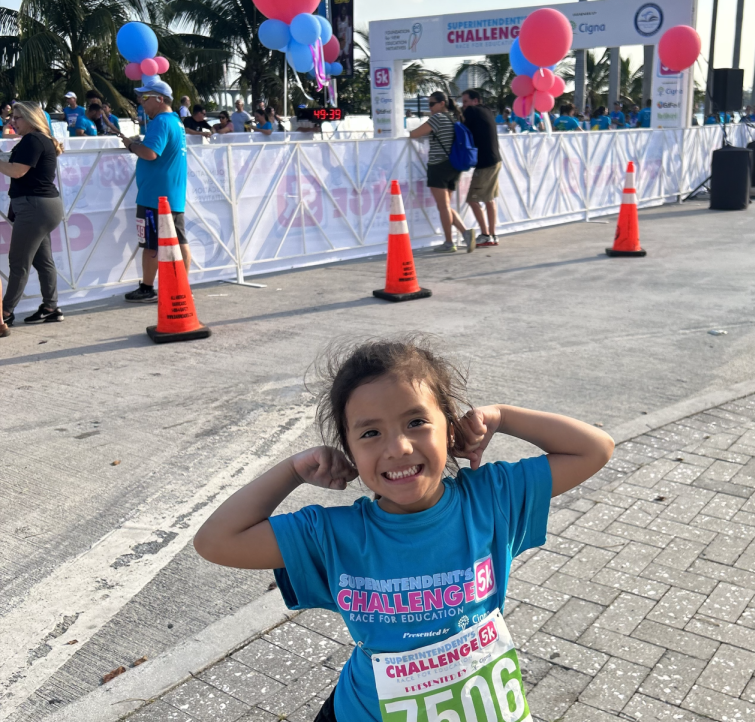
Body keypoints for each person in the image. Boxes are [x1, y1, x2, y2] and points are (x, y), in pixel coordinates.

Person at [193, 335, 615, 722]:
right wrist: (291, 471)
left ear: (451, 429)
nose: (398, 448)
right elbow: (215, 541)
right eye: (371, 433)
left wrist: (502, 417)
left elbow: (595, 448)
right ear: (350, 452)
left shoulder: (491, 499)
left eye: (416, 422)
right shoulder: (333, 534)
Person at [108, 79, 189, 304]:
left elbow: (150, 153)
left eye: (145, 98)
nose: (140, 102)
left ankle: (147, 287)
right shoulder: (174, 121)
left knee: (151, 245)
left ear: (159, 99)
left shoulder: (162, 121)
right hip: (169, 194)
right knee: (179, 240)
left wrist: (132, 145)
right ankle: (182, 285)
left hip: (156, 196)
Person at [0, 102, 66, 328]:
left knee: (19, 262)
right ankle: (51, 307)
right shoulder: (39, 140)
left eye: (17, 118)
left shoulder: (32, 140)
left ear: (30, 119)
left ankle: (5, 312)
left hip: (34, 206)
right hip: (44, 206)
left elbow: (17, 171)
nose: (12, 121)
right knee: (42, 260)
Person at [408, 91, 468, 253]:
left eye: (432, 104)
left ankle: (449, 242)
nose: (430, 108)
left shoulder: (438, 118)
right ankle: (465, 233)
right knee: (446, 206)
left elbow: (414, 134)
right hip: (454, 166)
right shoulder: (454, 118)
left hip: (438, 165)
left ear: (442, 103)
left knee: (443, 207)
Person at [461, 88, 502, 249]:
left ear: (475, 101)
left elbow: (460, 128)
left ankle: (485, 235)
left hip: (484, 163)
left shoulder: (472, 111)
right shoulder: (487, 111)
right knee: (489, 199)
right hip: (495, 160)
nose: (464, 106)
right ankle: (493, 234)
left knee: (472, 199)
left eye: (465, 102)